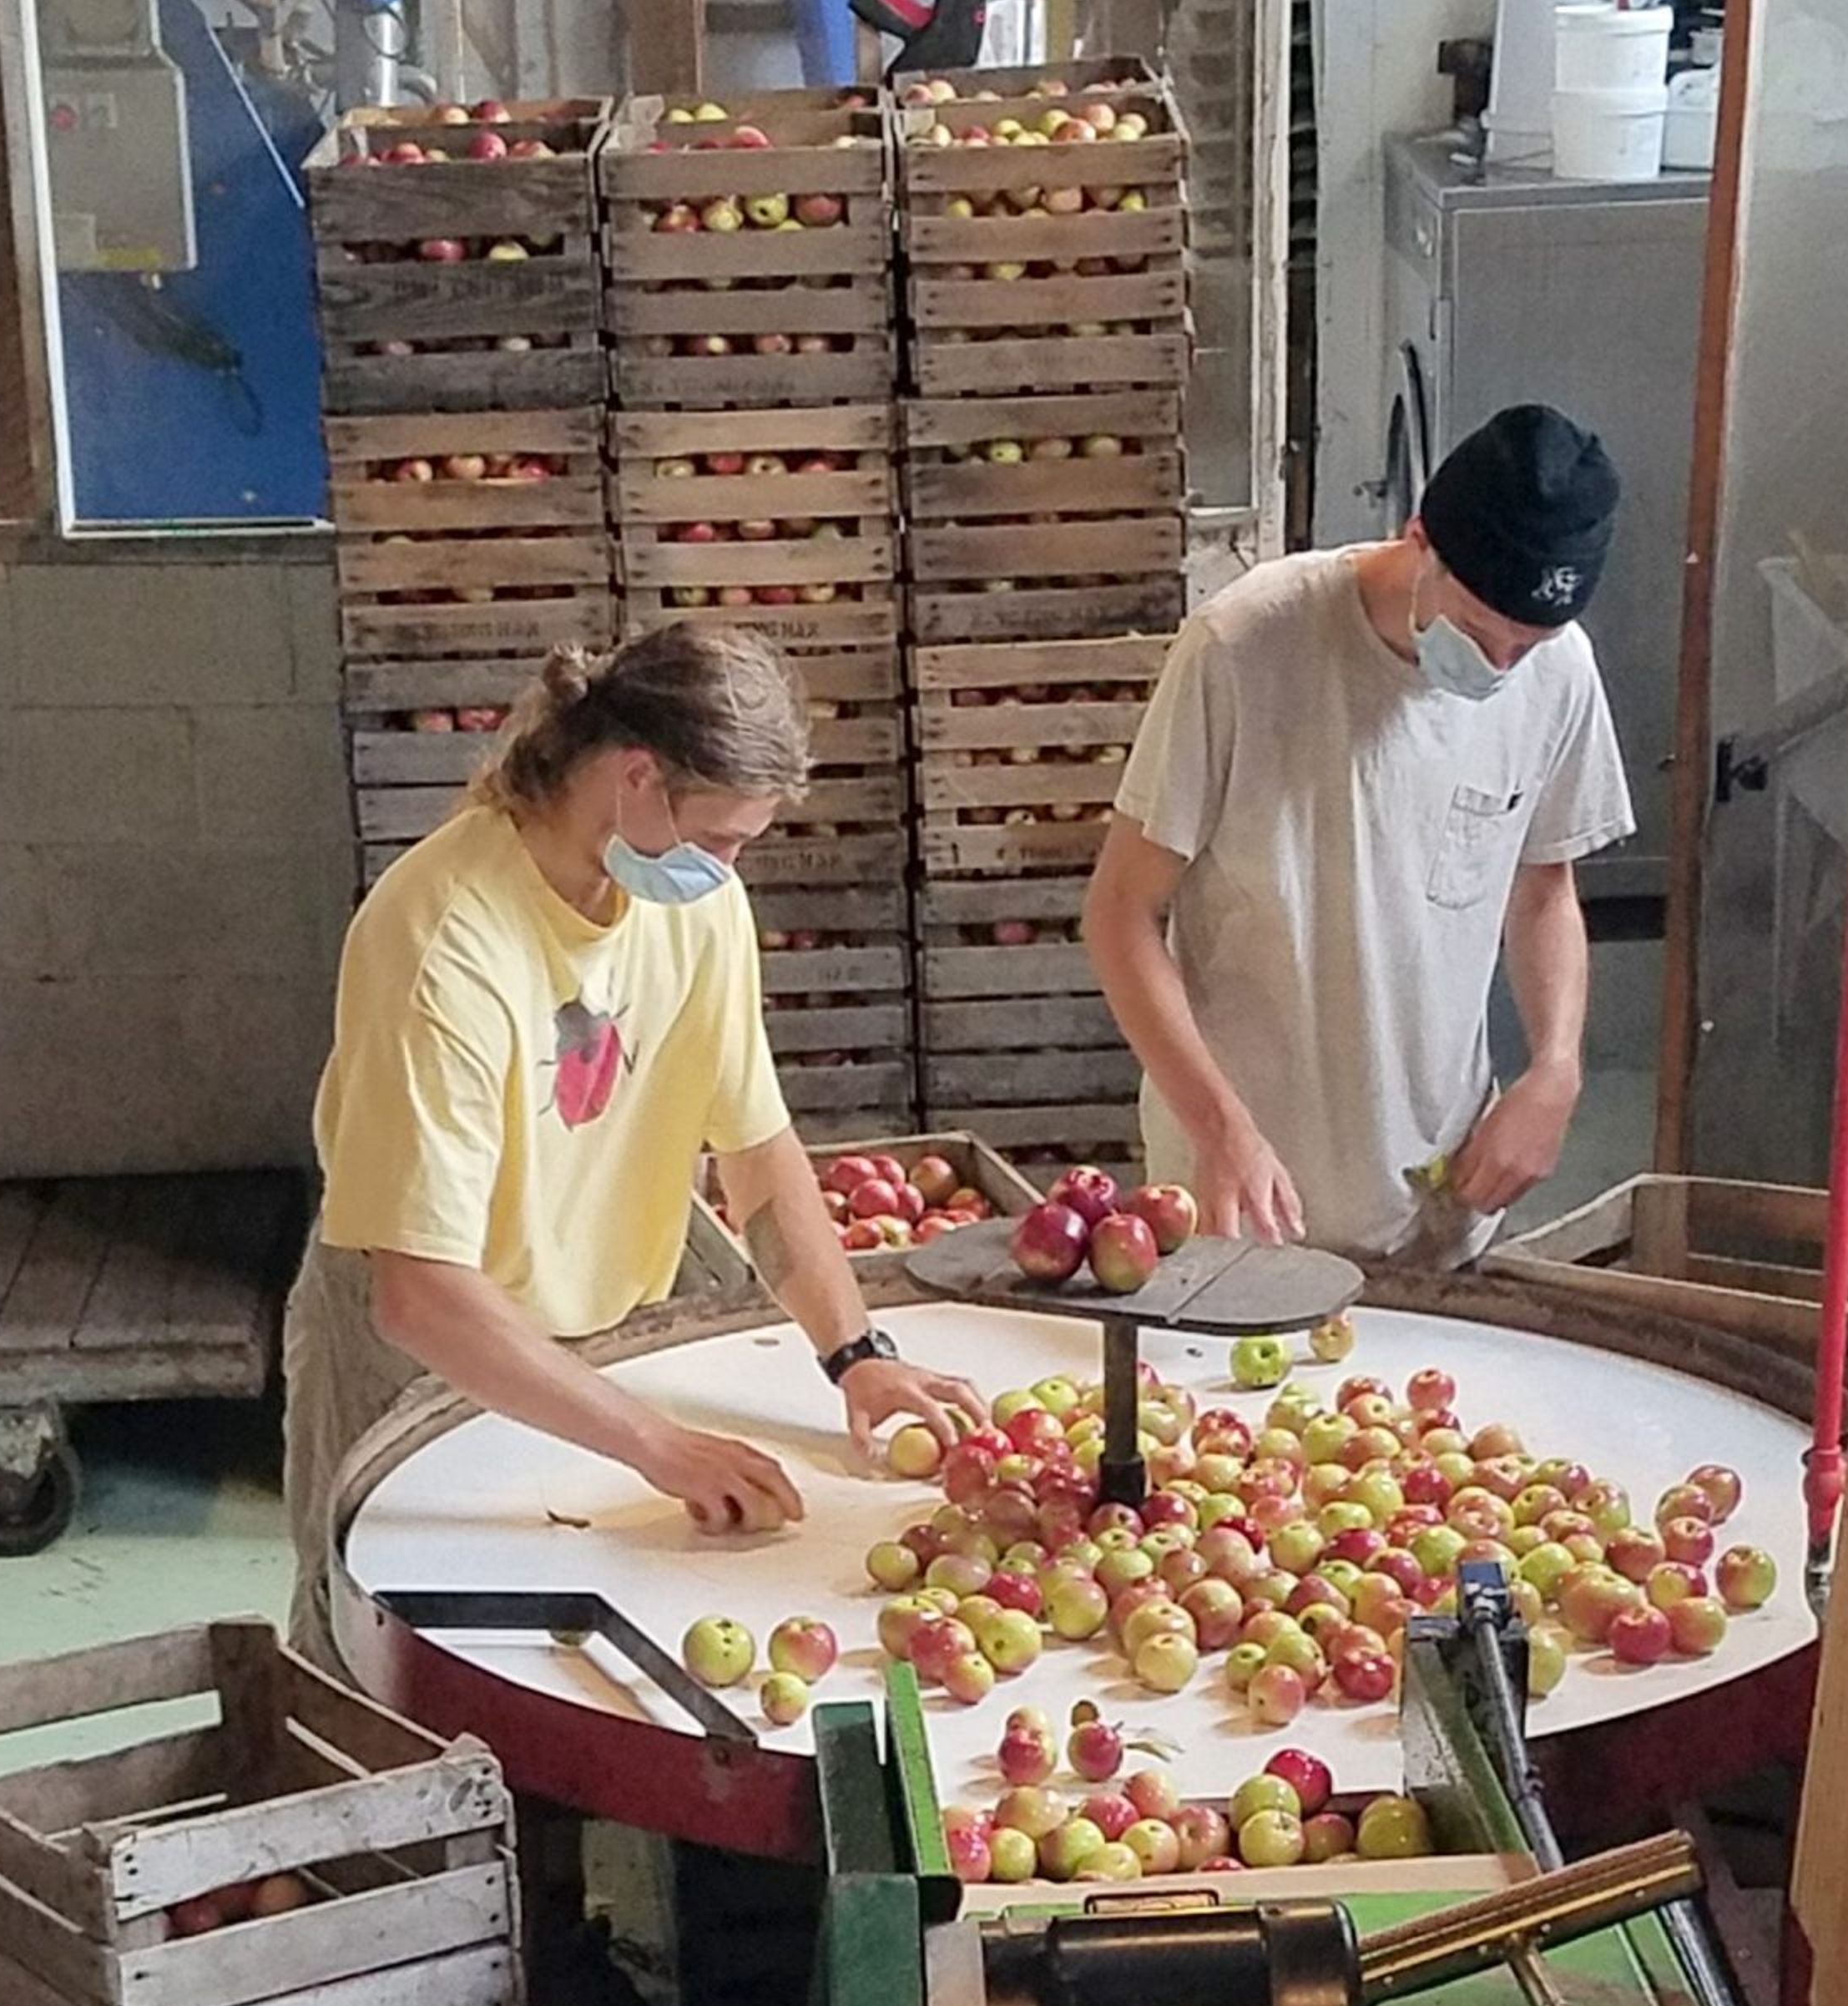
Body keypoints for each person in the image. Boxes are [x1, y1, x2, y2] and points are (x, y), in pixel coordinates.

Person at [282, 619, 977, 1665]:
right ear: (637, 777)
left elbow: (756, 1148)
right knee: (384, 1644)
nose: (731, 865)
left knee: (590, 1636)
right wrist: (661, 1444)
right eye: (725, 836)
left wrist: (855, 1353)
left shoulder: (694, 908)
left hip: (603, 1324)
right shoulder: (443, 942)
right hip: (425, 1339)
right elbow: (419, 1289)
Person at [1084, 402, 1635, 1261]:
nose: (1499, 669)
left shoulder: (1559, 675)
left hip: (1440, 1200)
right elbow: (1120, 913)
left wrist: (1556, 1068)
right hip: (1243, 1201)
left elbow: (1543, 889)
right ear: (1420, 538)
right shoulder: (1244, 646)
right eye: (1481, 633)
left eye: (1525, 646)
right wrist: (1219, 1128)